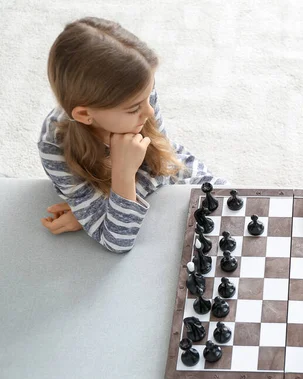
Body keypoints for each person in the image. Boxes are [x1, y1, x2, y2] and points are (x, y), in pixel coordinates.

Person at [38, 17, 226, 253]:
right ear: (85, 114)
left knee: (235, 210)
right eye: (135, 107)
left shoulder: (137, 91)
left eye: (149, 96)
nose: (149, 112)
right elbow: (118, 241)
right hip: (133, 193)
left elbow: (166, 163)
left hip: (175, 171)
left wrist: (102, 209)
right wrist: (123, 173)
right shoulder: (54, 146)